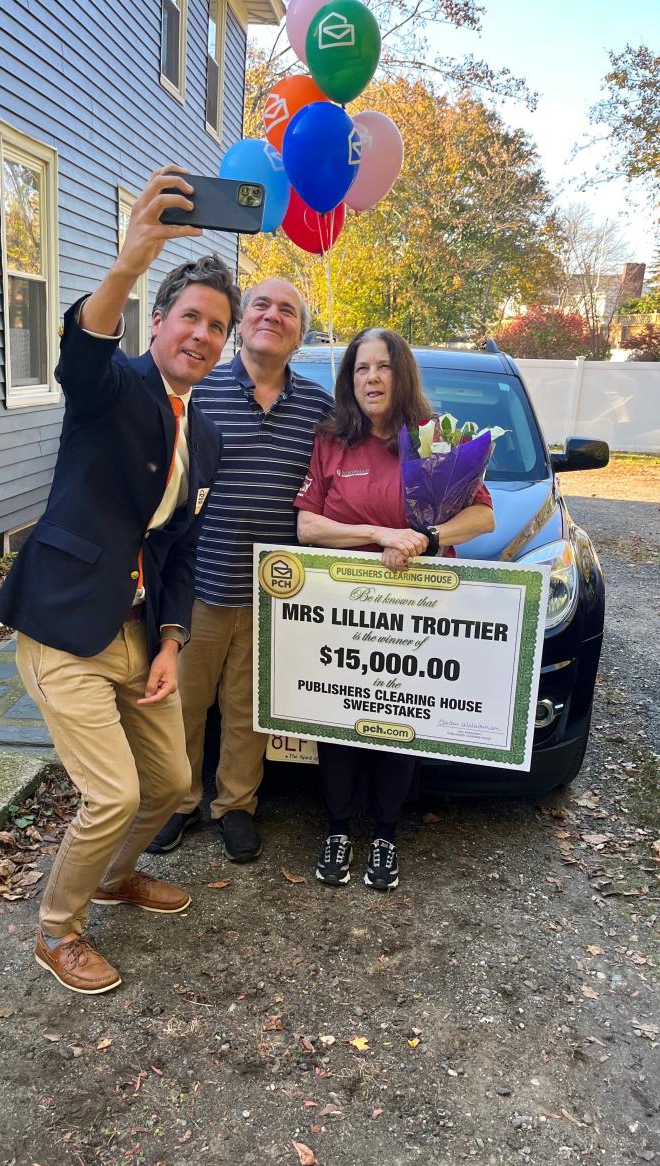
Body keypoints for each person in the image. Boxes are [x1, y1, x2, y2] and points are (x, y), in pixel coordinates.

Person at [0, 166, 239, 993]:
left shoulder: (204, 435)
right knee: (111, 794)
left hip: (139, 634)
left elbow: (180, 547)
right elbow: (81, 355)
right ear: (160, 321)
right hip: (65, 628)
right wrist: (129, 262)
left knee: (171, 785)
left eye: (218, 328)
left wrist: (172, 638)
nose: (203, 336)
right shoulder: (115, 387)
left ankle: (112, 877)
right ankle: (56, 931)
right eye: (191, 318)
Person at [294, 327, 495, 891]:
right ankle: (337, 828)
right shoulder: (332, 439)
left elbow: (483, 518)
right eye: (361, 368)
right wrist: (381, 533)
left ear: (401, 374)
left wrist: (426, 538)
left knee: (398, 718)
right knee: (336, 721)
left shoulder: (433, 439)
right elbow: (307, 525)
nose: (372, 378)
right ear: (349, 378)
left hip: (414, 607)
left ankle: (384, 834)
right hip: (340, 606)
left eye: (383, 367)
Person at [147, 279, 334, 863]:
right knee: (183, 703)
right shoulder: (200, 388)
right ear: (239, 323)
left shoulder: (319, 408)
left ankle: (235, 807)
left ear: (299, 334)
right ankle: (176, 803)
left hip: (276, 593)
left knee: (249, 708)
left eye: (288, 311)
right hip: (198, 583)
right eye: (261, 305)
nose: (273, 316)